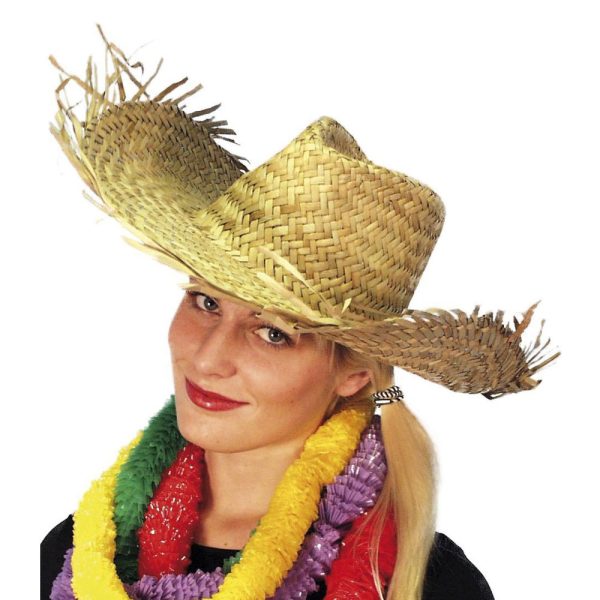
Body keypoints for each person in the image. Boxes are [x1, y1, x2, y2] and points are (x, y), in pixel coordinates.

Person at [41, 27, 559, 600]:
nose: (209, 358)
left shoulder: (419, 583)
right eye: (206, 302)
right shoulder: (78, 557)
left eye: (272, 333)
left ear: (354, 373)